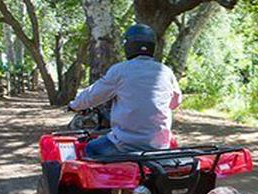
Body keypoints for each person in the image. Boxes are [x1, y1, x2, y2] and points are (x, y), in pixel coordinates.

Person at [68, 24, 182, 157]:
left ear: (128, 46)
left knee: (90, 148)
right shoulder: (165, 71)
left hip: (126, 145)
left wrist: (74, 105)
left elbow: (92, 95)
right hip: (159, 145)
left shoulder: (120, 70)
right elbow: (176, 102)